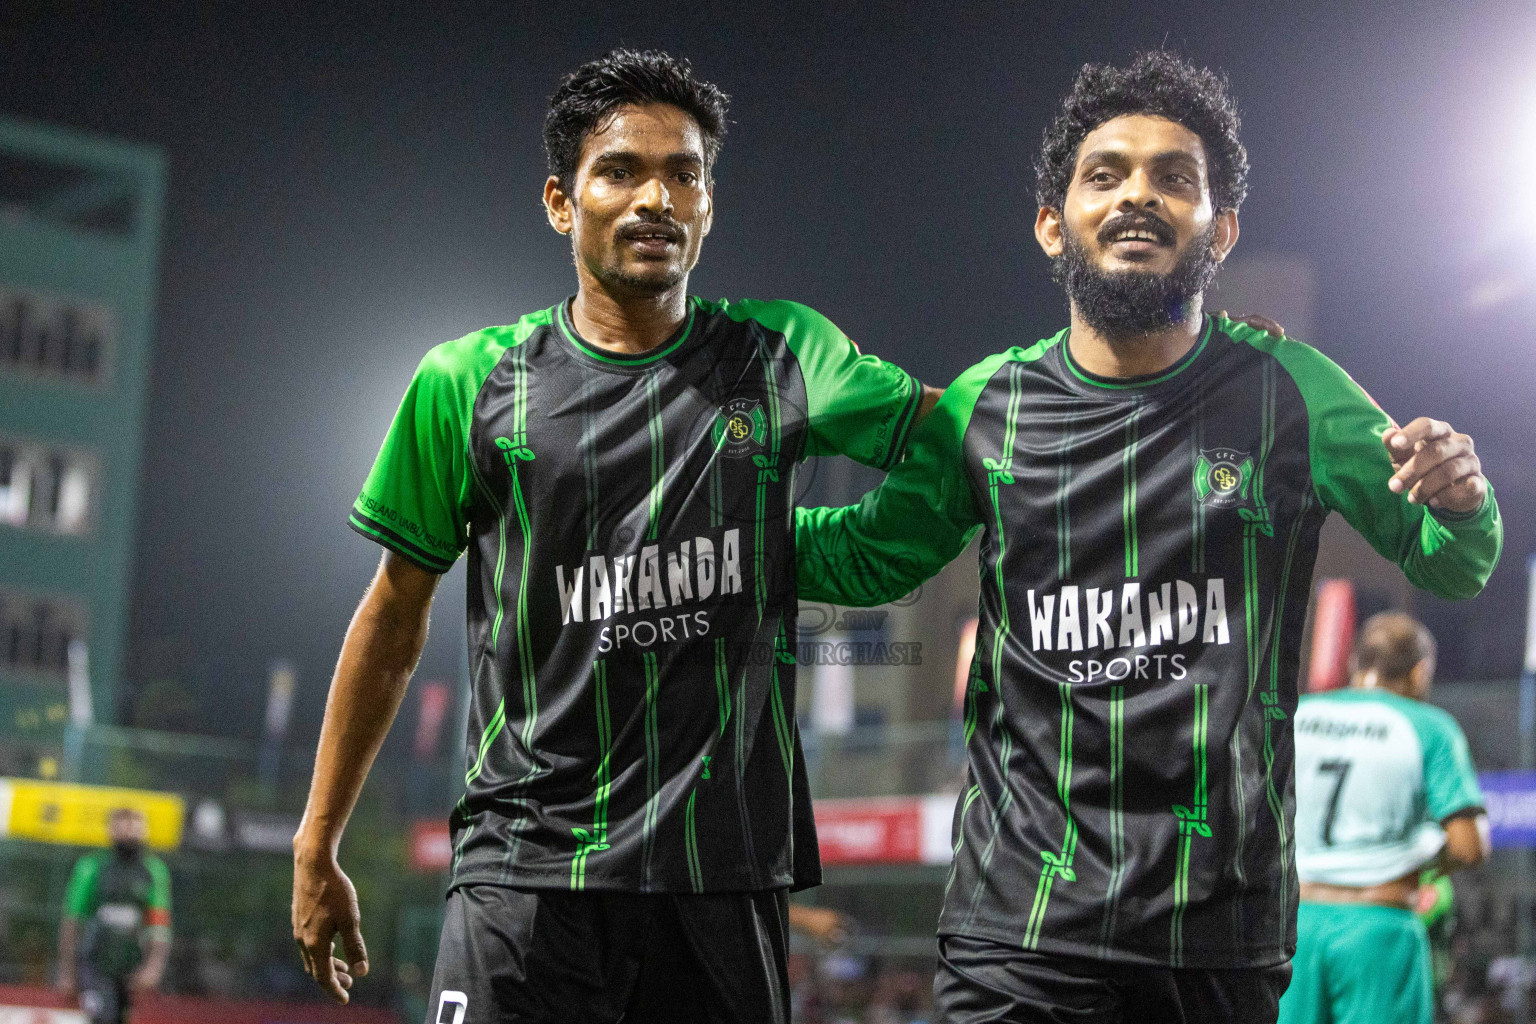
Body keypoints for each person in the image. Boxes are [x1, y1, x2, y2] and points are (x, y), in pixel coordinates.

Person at [795, 51, 1502, 1023]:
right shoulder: (987, 406)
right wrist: (718, 517)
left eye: (1176, 177)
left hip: (1217, 938)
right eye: (1107, 173)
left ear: (1224, 232)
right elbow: (868, 554)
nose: (1141, 195)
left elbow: (1455, 561)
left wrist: (1464, 497)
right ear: (1053, 224)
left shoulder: (1291, 394)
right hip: (1017, 936)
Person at [291, 49, 937, 1023]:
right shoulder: (467, 385)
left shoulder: (782, 354)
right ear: (561, 200)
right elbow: (392, 615)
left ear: (710, 206)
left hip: (719, 877)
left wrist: (1164, 409)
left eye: (684, 174)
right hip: (525, 870)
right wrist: (317, 839)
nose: (656, 199)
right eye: (621, 171)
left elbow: (959, 436)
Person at [1280, 613, 1489, 1024]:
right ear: (1419, 672)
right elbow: (1470, 845)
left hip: (1294, 927)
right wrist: (1419, 860)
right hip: (1378, 926)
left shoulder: (1300, 714)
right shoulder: (1429, 727)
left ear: (1356, 664)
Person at [56, 807, 171, 1024]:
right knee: (103, 1017)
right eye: (123, 827)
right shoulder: (91, 867)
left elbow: (159, 926)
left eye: (135, 827)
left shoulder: (153, 871)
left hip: (131, 968)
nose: (129, 833)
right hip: (94, 965)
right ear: (111, 830)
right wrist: (67, 972)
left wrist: (152, 969)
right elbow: (72, 921)